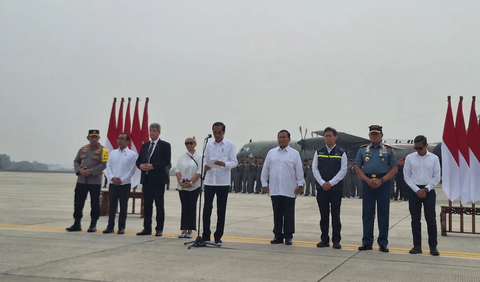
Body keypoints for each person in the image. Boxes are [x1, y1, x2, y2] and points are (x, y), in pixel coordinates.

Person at [355, 125, 398, 252]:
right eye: (372, 134)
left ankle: (383, 242)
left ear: (381, 136)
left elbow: (394, 168)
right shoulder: (363, 150)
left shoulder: (389, 150)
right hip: (367, 183)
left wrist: (382, 180)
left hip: (383, 183)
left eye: (377, 134)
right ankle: (367, 242)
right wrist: (367, 180)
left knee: (383, 213)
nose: (374, 136)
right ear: (369, 136)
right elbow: (357, 167)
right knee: (367, 213)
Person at [261, 130, 304, 245]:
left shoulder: (294, 154)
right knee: (277, 213)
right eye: (279, 137)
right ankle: (278, 235)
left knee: (289, 213)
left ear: (289, 139)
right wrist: (264, 183)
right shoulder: (271, 153)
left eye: (284, 137)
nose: (281, 139)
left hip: (289, 188)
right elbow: (265, 169)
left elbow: (299, 171)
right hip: (275, 188)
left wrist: (300, 184)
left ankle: (288, 236)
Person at [403, 135, 441, 256]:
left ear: (426, 146)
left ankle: (433, 246)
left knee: (430, 219)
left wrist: (426, 189)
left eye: (420, 148)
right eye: (416, 148)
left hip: (428, 190)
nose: (418, 150)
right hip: (414, 190)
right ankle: (417, 245)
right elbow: (407, 176)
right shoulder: (410, 158)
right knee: (415, 219)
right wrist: (416, 190)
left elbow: (437, 177)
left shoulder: (434, 158)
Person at [202, 122, 238, 246]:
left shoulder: (230, 145)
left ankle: (218, 237)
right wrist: (205, 167)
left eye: (219, 132)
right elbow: (205, 160)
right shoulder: (208, 145)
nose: (216, 135)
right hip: (210, 181)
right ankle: (206, 235)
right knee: (207, 209)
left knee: (221, 210)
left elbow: (234, 162)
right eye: (215, 132)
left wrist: (224, 164)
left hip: (222, 182)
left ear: (223, 132)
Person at [67, 129, 109, 232]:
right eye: (92, 137)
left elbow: (104, 164)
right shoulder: (82, 149)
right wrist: (79, 170)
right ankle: (77, 223)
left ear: (99, 138)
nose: (94, 139)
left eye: (96, 137)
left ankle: (93, 224)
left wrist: (91, 171)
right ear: (88, 138)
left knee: (95, 203)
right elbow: (76, 161)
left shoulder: (103, 150)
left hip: (95, 181)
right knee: (78, 202)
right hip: (81, 180)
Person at [312, 127, 347, 249]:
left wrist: (331, 183)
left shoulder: (341, 153)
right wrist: (322, 183)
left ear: (335, 137)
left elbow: (343, 171)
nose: (327, 138)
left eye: (330, 136)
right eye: (326, 136)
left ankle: (336, 240)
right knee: (324, 215)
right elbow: (315, 169)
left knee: (336, 215)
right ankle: (324, 239)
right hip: (322, 189)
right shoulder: (319, 152)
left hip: (335, 189)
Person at [136, 123, 171, 236]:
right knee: (147, 205)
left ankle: (159, 228)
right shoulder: (145, 146)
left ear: (159, 132)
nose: (152, 132)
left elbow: (166, 161)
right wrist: (140, 165)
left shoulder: (165, 145)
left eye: (154, 130)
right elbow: (138, 160)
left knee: (159, 205)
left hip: (158, 180)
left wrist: (153, 166)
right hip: (146, 179)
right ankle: (147, 228)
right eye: (150, 130)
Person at [103, 133, 137, 234]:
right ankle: (110, 226)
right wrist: (112, 178)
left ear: (127, 141)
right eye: (118, 139)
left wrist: (121, 179)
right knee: (112, 205)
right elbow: (108, 166)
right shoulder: (113, 153)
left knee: (123, 206)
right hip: (113, 183)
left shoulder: (132, 154)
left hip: (124, 184)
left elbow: (132, 171)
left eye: (122, 139)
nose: (119, 141)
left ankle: (121, 227)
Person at [175, 137, 202, 239]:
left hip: (194, 186)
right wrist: (180, 182)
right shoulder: (181, 157)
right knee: (184, 207)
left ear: (195, 144)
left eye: (191, 143)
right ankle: (184, 228)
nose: (189, 145)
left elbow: (199, 171)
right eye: (186, 143)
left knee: (192, 207)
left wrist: (191, 182)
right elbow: (177, 170)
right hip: (182, 186)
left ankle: (190, 229)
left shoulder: (199, 157)